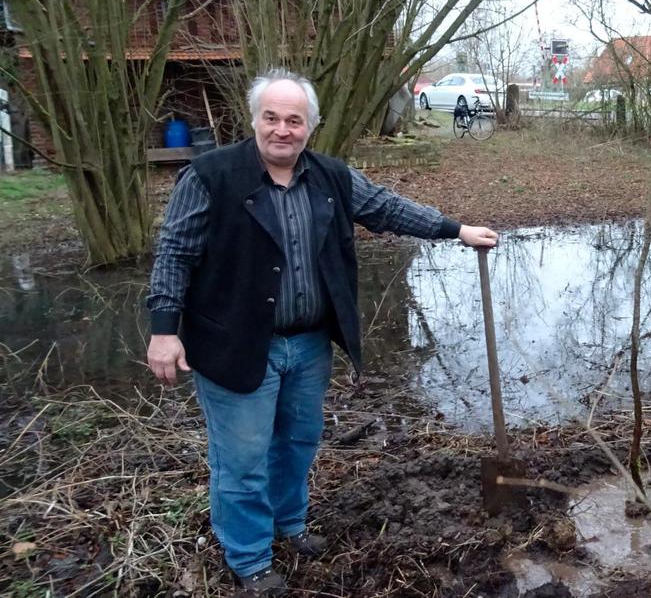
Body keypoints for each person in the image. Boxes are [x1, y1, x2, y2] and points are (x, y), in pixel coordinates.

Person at [145, 68, 498, 595]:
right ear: (254, 120)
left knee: (298, 442)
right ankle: (250, 558)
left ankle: (288, 525)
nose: (282, 129)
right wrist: (164, 330)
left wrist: (456, 230)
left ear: (310, 126)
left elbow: (386, 207)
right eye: (272, 117)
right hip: (234, 343)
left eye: (294, 120)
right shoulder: (210, 176)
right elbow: (175, 252)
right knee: (241, 460)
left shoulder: (331, 176)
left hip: (308, 344)